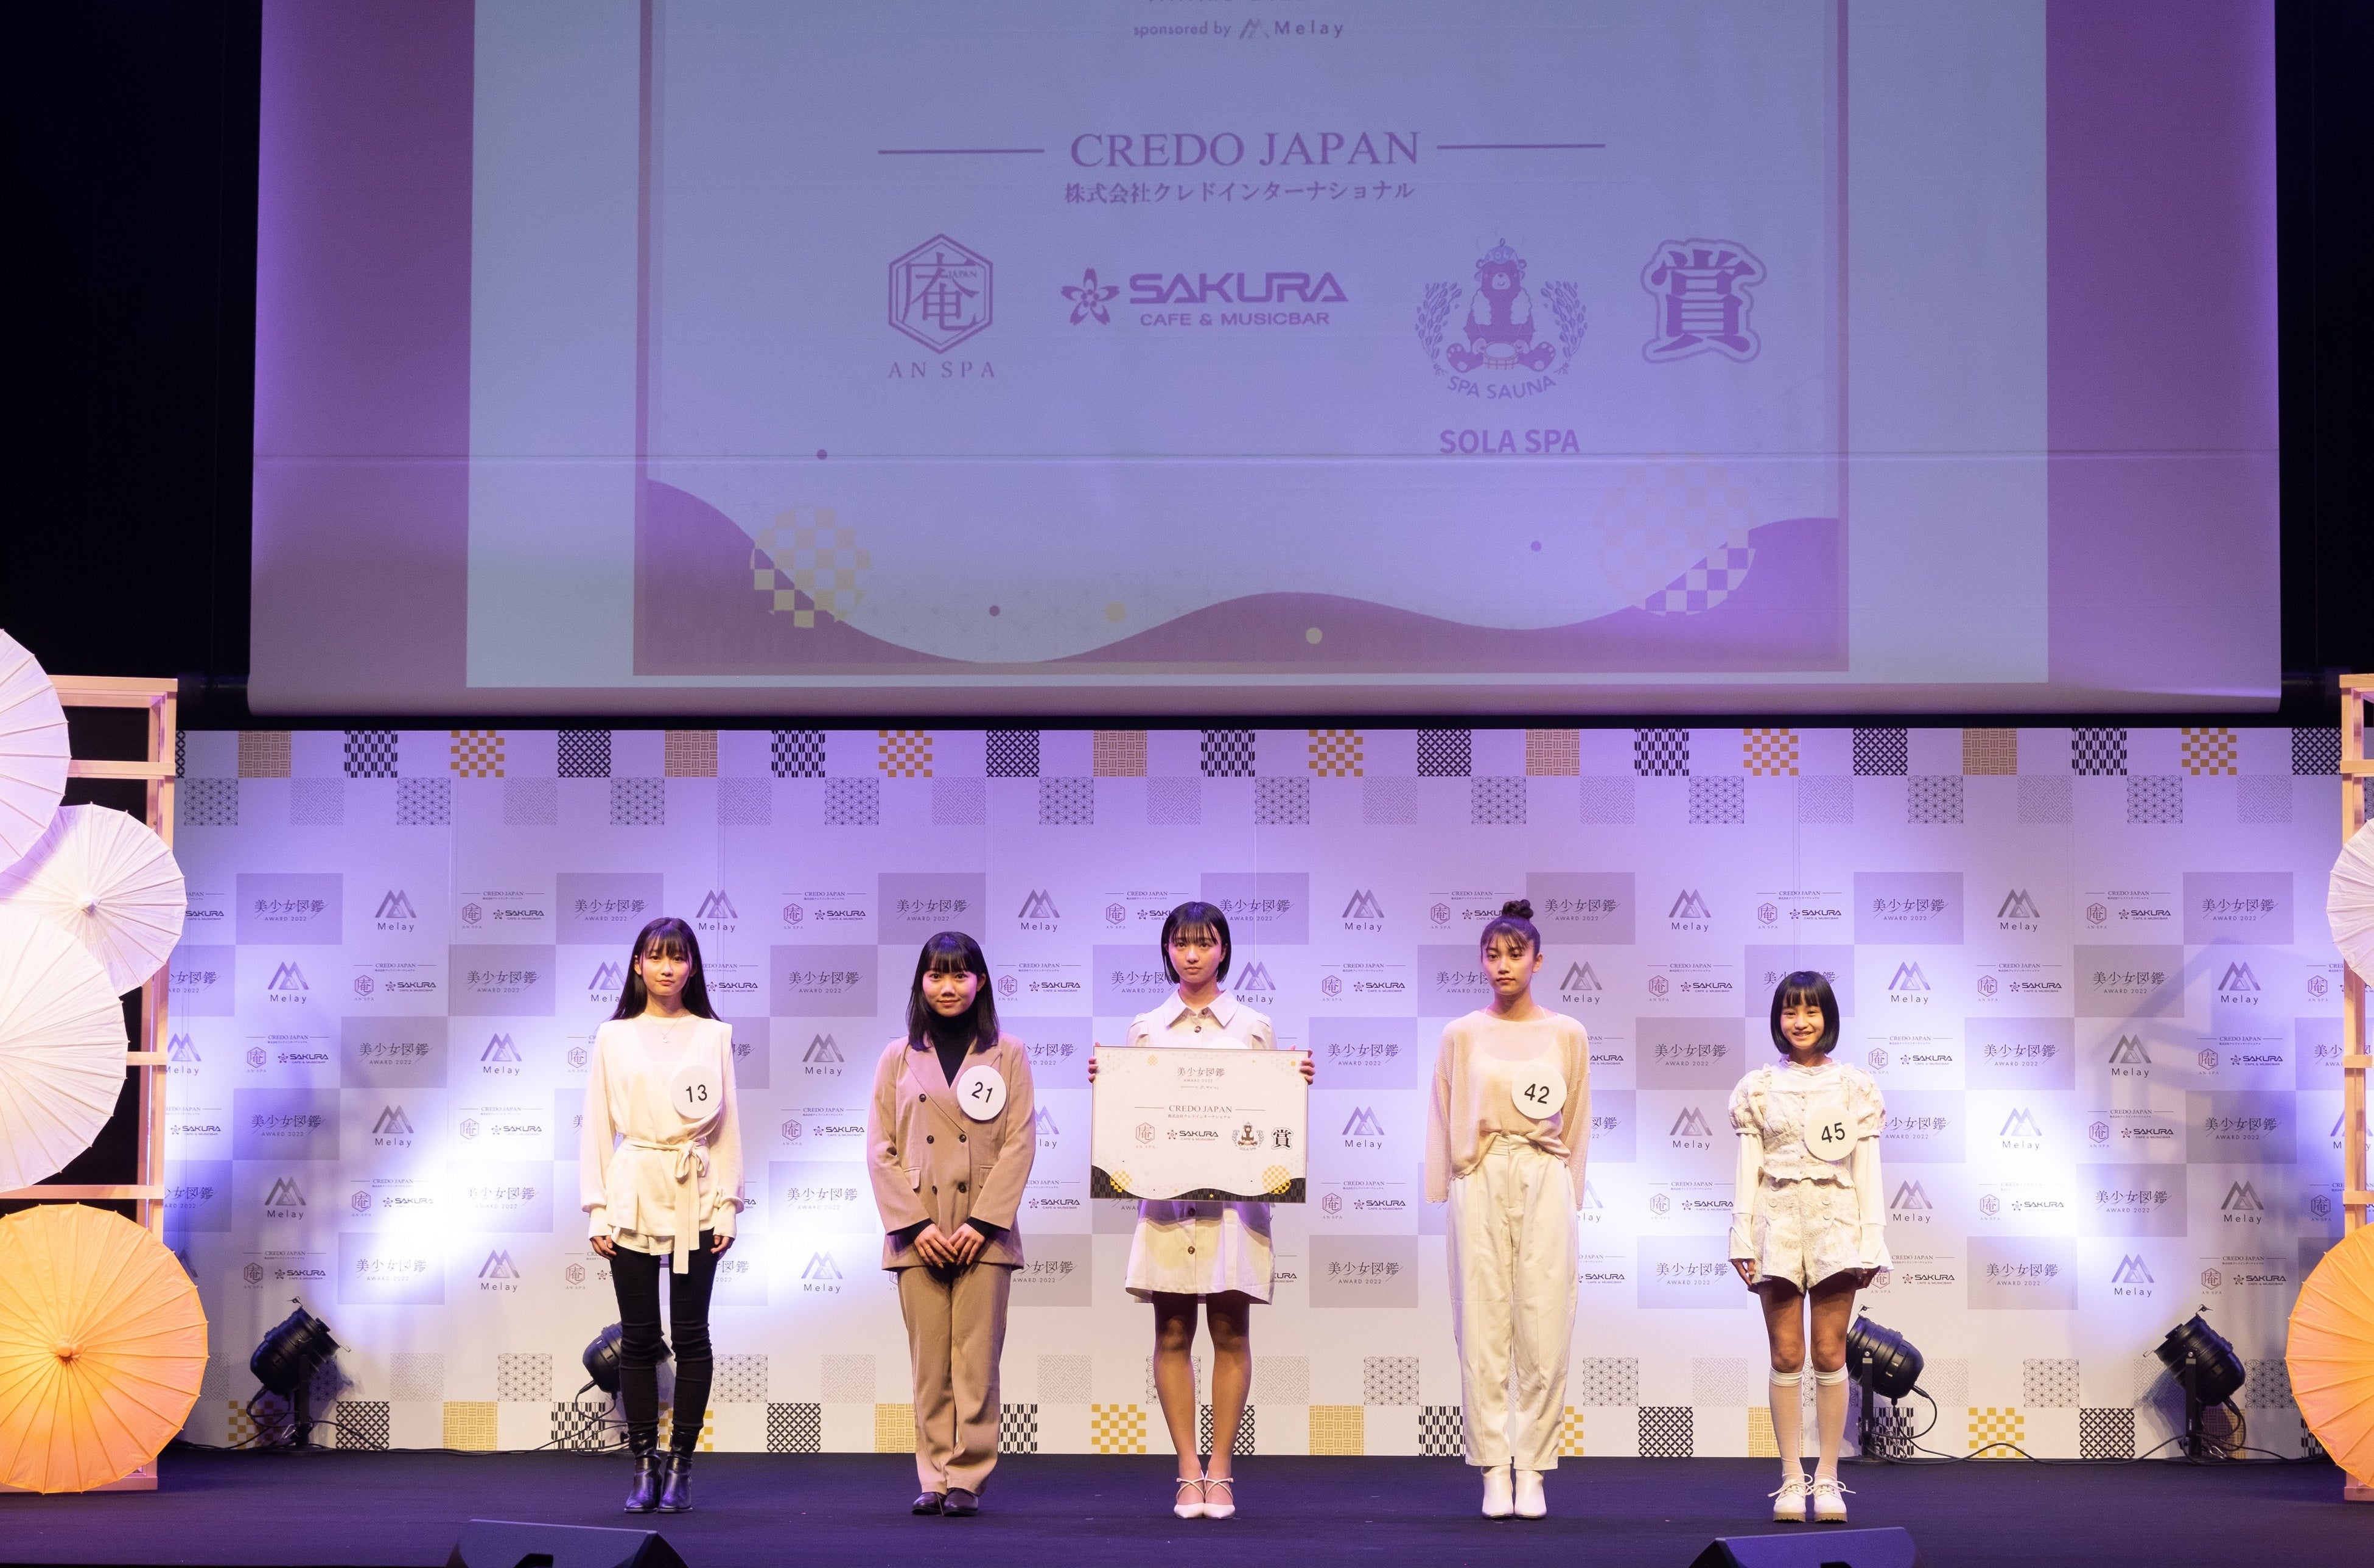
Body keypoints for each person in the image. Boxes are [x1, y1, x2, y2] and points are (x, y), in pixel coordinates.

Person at [1088, 901, 1312, 1519]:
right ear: (1167, 950)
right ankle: (1188, 1469)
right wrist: (1110, 1083)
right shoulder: (1144, 1029)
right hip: (1167, 1202)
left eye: (1204, 943)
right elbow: (1130, 1120)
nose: (1192, 954)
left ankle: (1222, 1469)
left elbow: (1270, 1117)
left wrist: (1294, 1082)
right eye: (1181, 943)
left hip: (1235, 1206)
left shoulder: (1254, 1026)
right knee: (1171, 1332)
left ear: (1223, 950)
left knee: (1231, 1331)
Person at [1423, 899, 1589, 1520]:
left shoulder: (1567, 1033)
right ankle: (1494, 1467)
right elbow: (1443, 1108)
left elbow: (1578, 1118)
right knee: (1481, 1323)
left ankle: (1534, 1466)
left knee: (1545, 1323)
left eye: (1516, 954)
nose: (1503, 965)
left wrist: (1571, 1187)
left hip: (1544, 1171)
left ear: (1538, 961)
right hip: (1481, 1171)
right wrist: (1442, 1181)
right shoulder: (1461, 1033)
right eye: (1492, 954)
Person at [866, 932, 1037, 1517]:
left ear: (980, 982)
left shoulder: (1008, 1052)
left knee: (977, 1361)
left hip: (983, 1230)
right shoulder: (897, 1056)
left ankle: (967, 1476)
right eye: (937, 975)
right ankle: (933, 1475)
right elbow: (880, 1149)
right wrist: (915, 1227)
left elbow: (1020, 1143)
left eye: (960, 975)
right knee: (929, 1364)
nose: (948, 987)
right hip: (918, 1228)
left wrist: (983, 1223)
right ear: (921, 983)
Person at [581, 916, 745, 1514]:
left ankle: (681, 1465)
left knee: (692, 1334)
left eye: (678, 957)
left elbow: (726, 1127)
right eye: (656, 956)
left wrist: (728, 1203)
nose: (667, 967)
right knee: (639, 1337)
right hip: (631, 1190)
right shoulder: (613, 1036)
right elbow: (597, 1124)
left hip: (694, 1191)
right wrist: (598, 1208)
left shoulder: (714, 1034)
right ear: (637, 965)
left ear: (693, 966)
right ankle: (643, 1464)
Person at [1729, 970, 1889, 1524]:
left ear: (1828, 1018)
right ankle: (1790, 1479)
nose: (1801, 1022)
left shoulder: (1854, 1087)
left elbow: (1866, 1169)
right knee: (1785, 1354)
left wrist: (1872, 1240)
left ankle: (1827, 1478)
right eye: (1790, 1011)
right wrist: (1741, 1234)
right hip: (1776, 1219)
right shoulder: (1758, 1088)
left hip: (1835, 1221)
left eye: (1811, 1011)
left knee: (1829, 1352)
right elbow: (1749, 1167)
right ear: (1778, 1019)